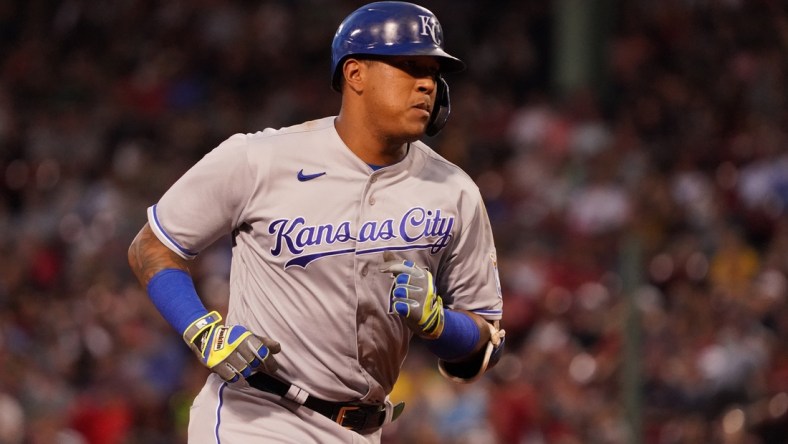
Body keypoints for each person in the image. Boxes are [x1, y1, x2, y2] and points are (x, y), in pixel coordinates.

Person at [127, 2, 504, 443]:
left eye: (433, 71)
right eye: (409, 65)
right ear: (355, 74)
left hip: (363, 430)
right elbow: (152, 245)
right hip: (256, 416)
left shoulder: (455, 192)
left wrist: (440, 325)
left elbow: (485, 343)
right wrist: (202, 330)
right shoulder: (261, 159)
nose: (427, 83)